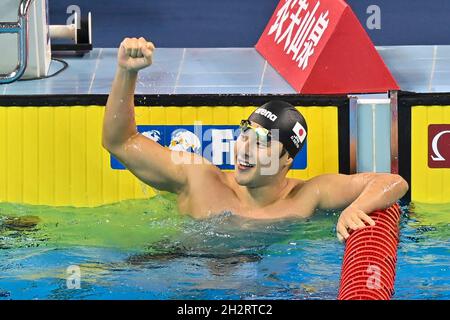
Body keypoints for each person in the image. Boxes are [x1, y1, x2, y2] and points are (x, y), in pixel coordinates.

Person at [102, 37, 409, 242]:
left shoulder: (308, 196)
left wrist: (355, 208)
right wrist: (126, 73)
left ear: (287, 158)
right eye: (245, 134)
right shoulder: (197, 178)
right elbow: (120, 142)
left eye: (262, 141)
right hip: (174, 267)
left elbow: (393, 182)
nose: (245, 149)